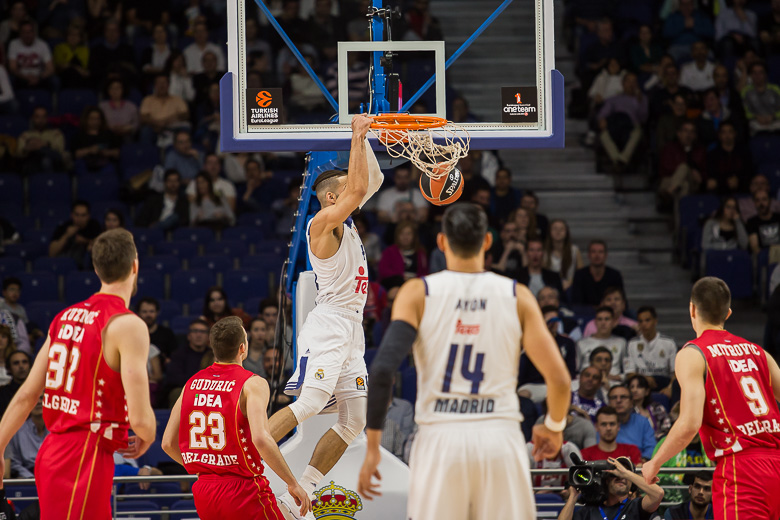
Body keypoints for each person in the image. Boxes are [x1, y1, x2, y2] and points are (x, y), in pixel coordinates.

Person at [358, 203, 572, 518]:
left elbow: (381, 372)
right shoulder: (518, 296)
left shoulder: (417, 293)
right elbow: (560, 380)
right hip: (499, 436)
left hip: (440, 438)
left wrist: (374, 447)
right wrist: (554, 427)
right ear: (487, 242)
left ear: (442, 242)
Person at [0, 228, 156, 519]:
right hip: (84, 455)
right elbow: (141, 419)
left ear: (96, 269)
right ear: (135, 266)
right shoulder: (127, 324)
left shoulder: (64, 317)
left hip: (52, 450)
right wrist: (147, 434)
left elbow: (27, 395)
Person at [267, 114, 375, 518]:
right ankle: (245, 458)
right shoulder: (322, 223)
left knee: (353, 421)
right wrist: (358, 133)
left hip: (351, 329)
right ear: (332, 198)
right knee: (311, 403)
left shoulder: (344, 221)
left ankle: (304, 491)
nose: (356, 196)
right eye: (347, 192)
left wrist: (389, 141)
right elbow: (361, 185)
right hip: (329, 323)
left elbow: (367, 183)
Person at [643, 277, 780, 519]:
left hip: (741, 467)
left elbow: (690, 423)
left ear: (692, 309)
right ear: (728, 313)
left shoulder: (693, 353)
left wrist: (655, 463)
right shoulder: (759, 352)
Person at [162, 316, 310, 519]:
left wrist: (203, 469)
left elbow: (168, 444)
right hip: (242, 489)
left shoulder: (191, 384)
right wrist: (292, 483)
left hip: (205, 489)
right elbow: (261, 439)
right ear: (243, 347)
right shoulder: (252, 383)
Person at [558, 456, 664, 520]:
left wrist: (625, 473)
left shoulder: (635, 507)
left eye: (623, 473)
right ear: (607, 480)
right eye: (615, 473)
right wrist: (573, 496)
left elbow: (658, 494)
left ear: (632, 483)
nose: (620, 477)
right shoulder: (589, 511)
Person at [519, 305, 577, 403]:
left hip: (560, 384)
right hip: (536, 385)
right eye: (550, 320)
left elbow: (571, 369)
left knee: (580, 385)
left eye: (555, 319)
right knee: (523, 394)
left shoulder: (567, 342)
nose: (553, 323)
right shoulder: (530, 341)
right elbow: (523, 370)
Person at [624, 306, 677, 392]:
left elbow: (675, 373)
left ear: (655, 321)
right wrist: (644, 378)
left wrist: (669, 388)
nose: (644, 324)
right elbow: (629, 373)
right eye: (640, 321)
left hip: (664, 383)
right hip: (640, 385)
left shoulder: (669, 343)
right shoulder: (632, 344)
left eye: (647, 320)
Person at [165, 319, 212, 406]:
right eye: (195, 331)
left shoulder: (212, 355)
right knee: (177, 393)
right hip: (186, 389)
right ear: (189, 336)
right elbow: (175, 379)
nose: (198, 335)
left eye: (202, 332)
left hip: (208, 391)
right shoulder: (178, 354)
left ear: (208, 337)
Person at [48, 200, 103, 269]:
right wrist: (66, 235)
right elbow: (52, 253)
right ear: (71, 215)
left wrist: (84, 241)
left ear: (88, 216)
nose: (80, 218)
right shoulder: (64, 227)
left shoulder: (94, 226)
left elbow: (102, 248)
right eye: (77, 215)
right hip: (66, 265)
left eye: (83, 215)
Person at [608, 384, 656, 460]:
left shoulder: (643, 422)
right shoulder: (602, 422)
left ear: (631, 402)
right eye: (614, 397)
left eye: (623, 397)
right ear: (609, 402)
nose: (618, 400)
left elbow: (651, 448)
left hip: (637, 466)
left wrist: (642, 462)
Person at [576, 306, 627, 378]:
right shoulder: (581, 343)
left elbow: (627, 371)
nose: (603, 323)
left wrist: (612, 377)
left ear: (613, 322)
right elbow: (576, 371)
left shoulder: (621, 342)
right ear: (595, 322)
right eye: (600, 319)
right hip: (588, 382)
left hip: (613, 382)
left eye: (607, 319)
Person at [571, 240, 625, 306]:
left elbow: (622, 301)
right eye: (593, 252)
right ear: (589, 255)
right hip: (585, 314)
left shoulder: (615, 275)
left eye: (600, 252)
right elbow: (576, 303)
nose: (597, 255)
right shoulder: (579, 275)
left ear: (606, 255)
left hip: (611, 312)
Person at [6, 396, 47, 478]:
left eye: (42, 398)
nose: (39, 402)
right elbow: (15, 463)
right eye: (35, 398)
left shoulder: (58, 429)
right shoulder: (17, 430)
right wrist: (31, 479)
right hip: (27, 479)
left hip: (54, 476)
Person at [627, 374, 671, 440]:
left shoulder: (657, 408)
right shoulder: (627, 411)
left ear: (647, 391)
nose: (634, 390)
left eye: (639, 387)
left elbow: (666, 428)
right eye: (632, 387)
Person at [543, 219, 583, 291]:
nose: (558, 232)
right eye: (555, 229)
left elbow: (581, 273)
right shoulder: (544, 251)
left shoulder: (574, 250)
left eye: (561, 229)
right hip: (550, 286)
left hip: (570, 286)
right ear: (549, 231)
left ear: (566, 232)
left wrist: (570, 282)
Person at [747, 188, 780, 253]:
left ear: (770, 200)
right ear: (754, 203)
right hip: (764, 258)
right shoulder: (752, 222)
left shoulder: (779, 218)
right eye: (757, 200)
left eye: (764, 199)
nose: (761, 203)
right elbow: (754, 247)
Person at [0, 351, 30, 416]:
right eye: (16, 363)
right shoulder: (2, 394)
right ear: (9, 368)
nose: (21, 366)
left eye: (24, 362)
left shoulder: (40, 389)